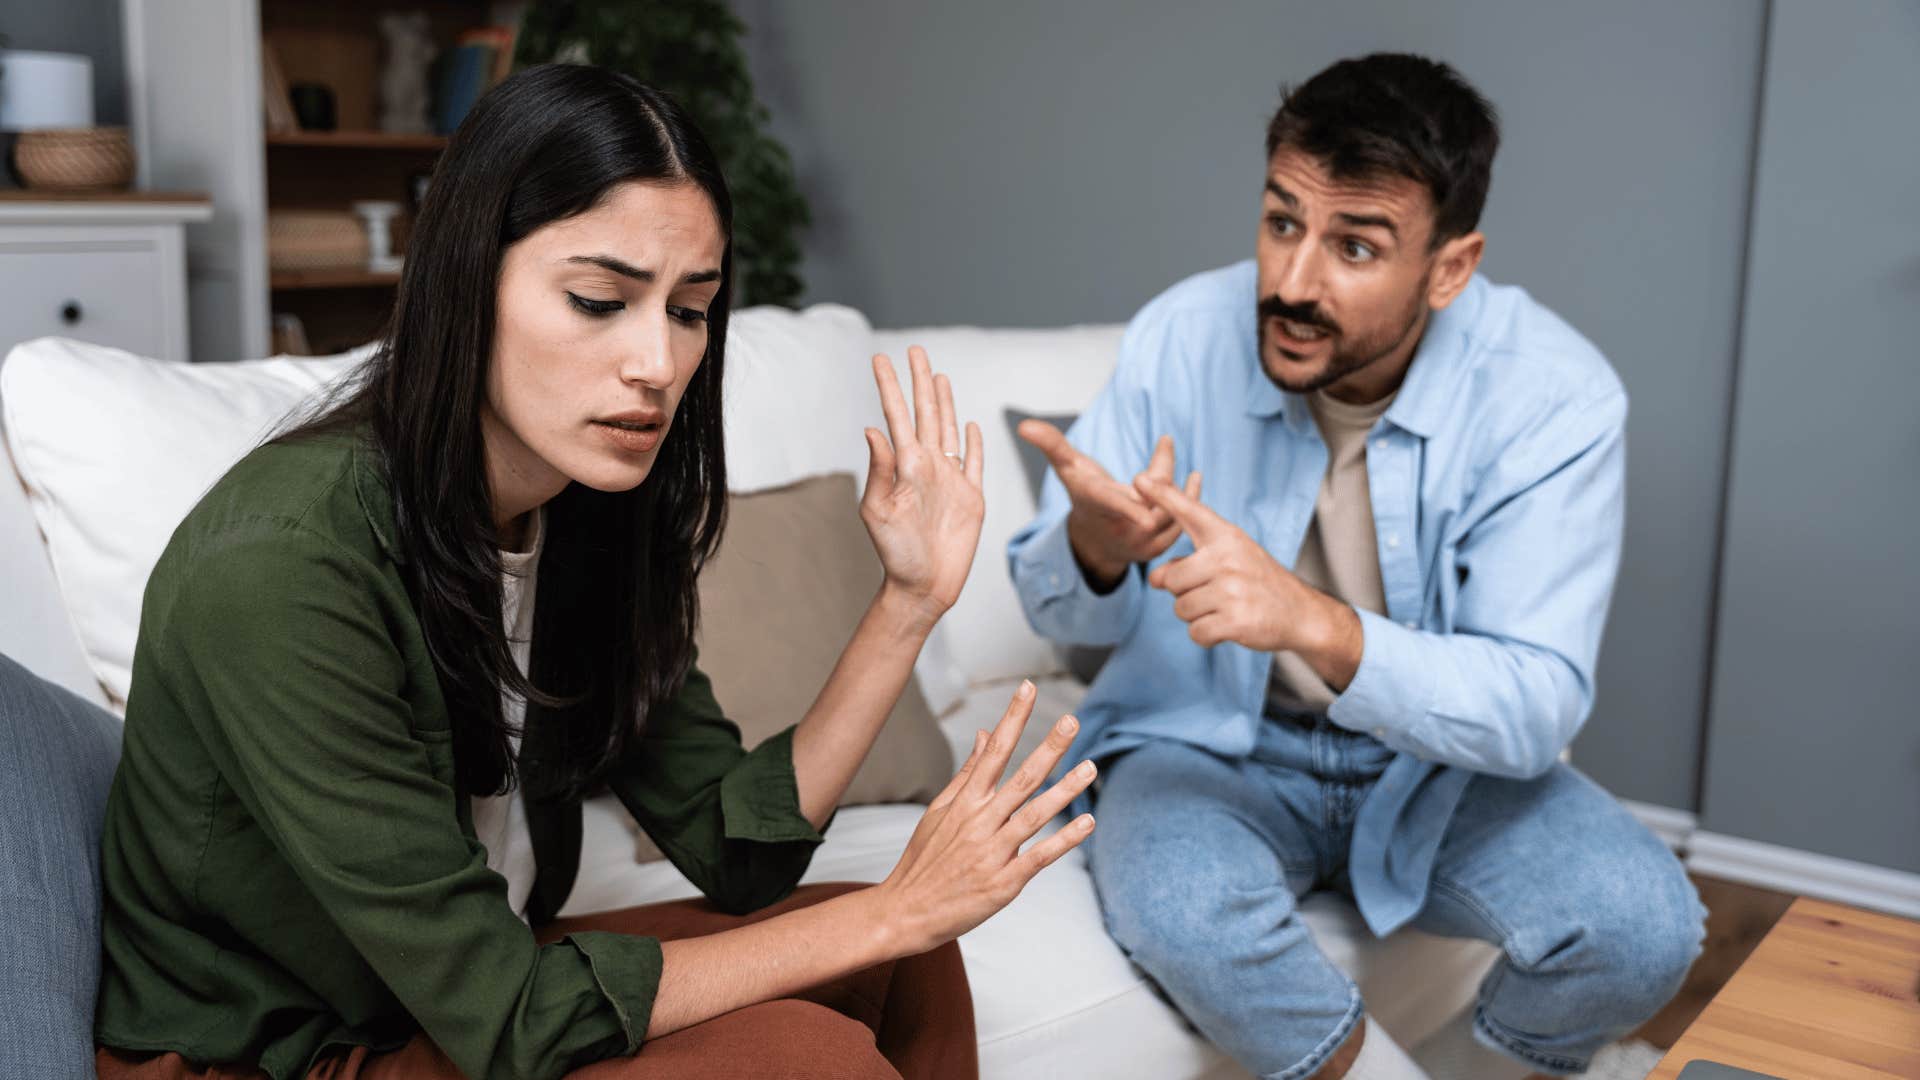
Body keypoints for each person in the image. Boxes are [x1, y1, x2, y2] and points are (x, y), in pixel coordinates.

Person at [88, 64, 1096, 1080]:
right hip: (292, 1047)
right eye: (600, 299)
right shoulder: (284, 567)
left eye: (691, 309)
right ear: (467, 280)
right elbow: (511, 1016)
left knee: (908, 963)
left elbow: (736, 851)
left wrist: (910, 603)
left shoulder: (584, 515)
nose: (656, 363)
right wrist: (891, 909)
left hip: (463, 994)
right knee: (810, 1045)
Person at [1008, 53, 1705, 1080]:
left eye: (1356, 247)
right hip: (1210, 748)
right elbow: (1055, 606)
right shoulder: (1180, 338)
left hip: (1438, 768)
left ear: (1451, 268)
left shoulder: (1555, 399)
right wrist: (1096, 547)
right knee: (1185, 908)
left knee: (1643, 926)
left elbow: (1534, 708)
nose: (1293, 282)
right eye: (1283, 221)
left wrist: (1312, 621)